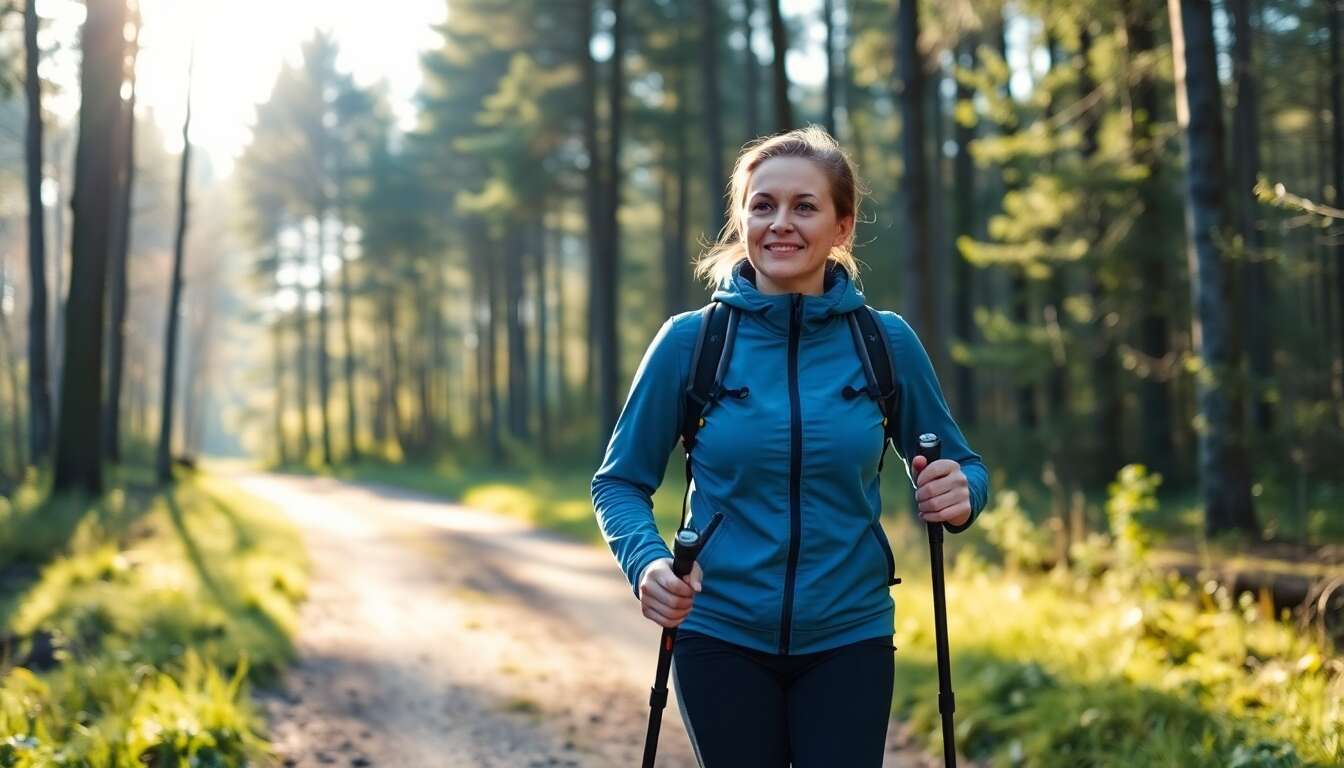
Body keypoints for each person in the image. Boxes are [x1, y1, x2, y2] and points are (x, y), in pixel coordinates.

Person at [592, 126, 989, 767]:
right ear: (741, 220)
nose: (781, 223)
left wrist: (961, 491)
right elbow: (619, 481)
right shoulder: (691, 343)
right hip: (718, 631)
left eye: (804, 206)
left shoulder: (884, 344)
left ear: (841, 228)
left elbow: (964, 465)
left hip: (849, 634)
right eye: (762, 205)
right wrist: (647, 564)